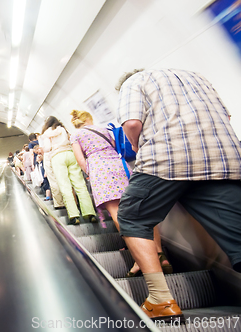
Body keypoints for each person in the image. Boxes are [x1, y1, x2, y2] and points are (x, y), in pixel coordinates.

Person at [116, 68, 241, 321]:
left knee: (132, 217)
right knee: (235, 231)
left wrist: (136, 145)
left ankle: (160, 300)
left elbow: (131, 123)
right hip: (224, 158)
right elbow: (226, 116)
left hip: (167, 158)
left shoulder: (134, 81)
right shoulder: (199, 77)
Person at [70, 109, 172, 277]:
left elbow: (81, 160)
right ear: (89, 119)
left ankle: (140, 259)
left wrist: (91, 172)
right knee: (141, 209)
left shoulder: (75, 135)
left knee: (119, 214)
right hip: (119, 166)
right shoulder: (104, 129)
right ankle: (160, 254)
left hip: (100, 169)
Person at [41, 116, 96, 224]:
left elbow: (47, 148)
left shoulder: (47, 133)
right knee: (80, 185)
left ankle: (74, 216)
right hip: (70, 155)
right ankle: (90, 213)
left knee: (64, 186)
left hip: (57, 157)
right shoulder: (63, 129)